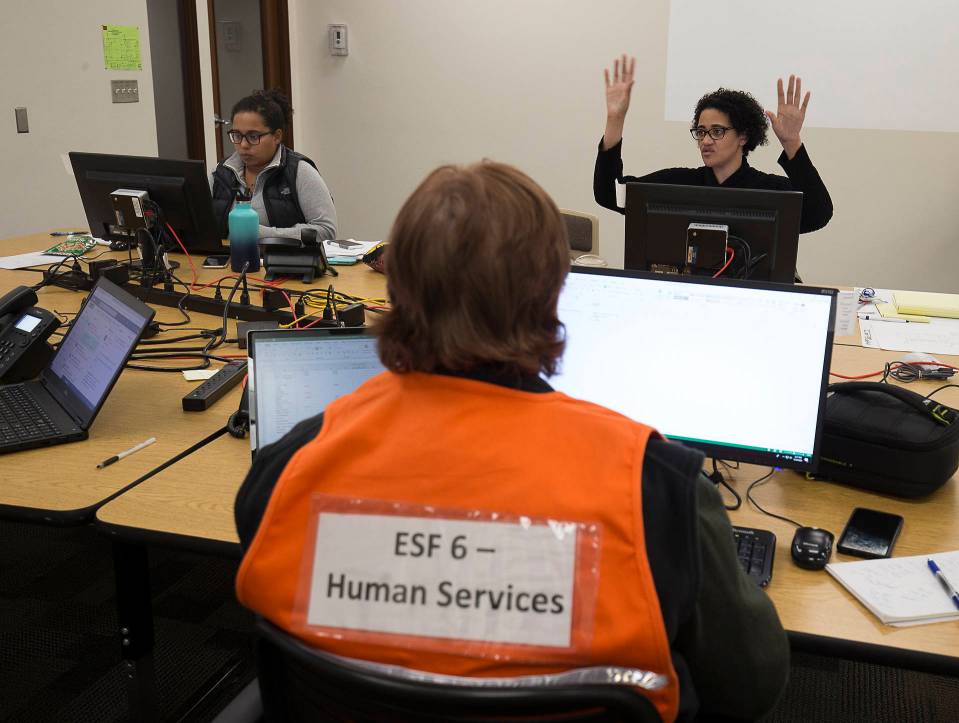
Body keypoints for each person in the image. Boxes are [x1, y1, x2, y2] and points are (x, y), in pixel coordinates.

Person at [233, 161, 789, 722]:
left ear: (396, 286)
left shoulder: (292, 465)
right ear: (551, 294)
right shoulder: (657, 485)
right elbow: (749, 687)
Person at [594, 55, 833, 235]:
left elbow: (818, 213)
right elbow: (609, 194)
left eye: (717, 131)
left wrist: (791, 142)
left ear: (743, 136)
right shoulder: (676, 184)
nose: (706, 141)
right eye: (701, 132)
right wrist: (615, 120)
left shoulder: (770, 190)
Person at [211, 88, 338, 242]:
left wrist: (265, 234)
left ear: (277, 136)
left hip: (285, 263)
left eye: (253, 136)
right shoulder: (221, 172)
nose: (243, 144)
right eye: (237, 135)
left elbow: (326, 230)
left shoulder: (299, 171)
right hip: (230, 262)